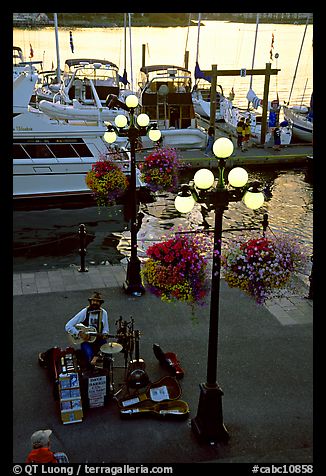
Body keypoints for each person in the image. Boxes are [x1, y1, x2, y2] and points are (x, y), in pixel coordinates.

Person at [65, 291, 109, 364]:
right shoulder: (85, 312)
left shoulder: (103, 313)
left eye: (97, 301)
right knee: (89, 356)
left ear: (100, 303)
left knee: (107, 356)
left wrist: (105, 334)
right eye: (93, 301)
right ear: (90, 302)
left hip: (99, 340)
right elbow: (68, 326)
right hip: (87, 341)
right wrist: (79, 333)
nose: (95, 303)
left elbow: (106, 329)